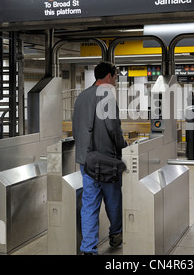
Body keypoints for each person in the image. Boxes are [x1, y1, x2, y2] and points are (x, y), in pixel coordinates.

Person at [72, 62, 127, 255]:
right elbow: (113, 128)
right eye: (115, 77)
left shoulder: (81, 97)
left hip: (86, 161)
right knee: (113, 200)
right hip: (107, 161)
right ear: (110, 76)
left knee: (89, 203)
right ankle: (116, 233)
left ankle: (88, 249)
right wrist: (123, 146)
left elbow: (76, 128)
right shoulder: (107, 96)